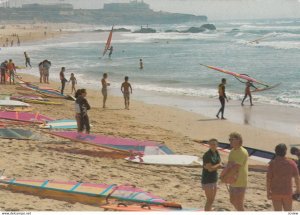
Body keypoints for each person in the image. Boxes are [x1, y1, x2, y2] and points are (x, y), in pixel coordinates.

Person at [267, 144, 300, 211]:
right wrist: (298, 190)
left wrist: (268, 192)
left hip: (275, 192)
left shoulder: (272, 164)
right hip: (287, 192)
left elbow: (268, 179)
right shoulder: (291, 163)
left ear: (276, 152)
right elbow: (297, 178)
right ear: (285, 152)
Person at [227, 132, 248, 211]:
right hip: (233, 180)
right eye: (229, 140)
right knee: (232, 201)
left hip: (240, 181)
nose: (230, 141)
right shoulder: (232, 151)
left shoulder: (242, 151)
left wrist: (225, 177)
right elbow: (229, 165)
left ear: (238, 140)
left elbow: (236, 167)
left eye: (232, 139)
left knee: (239, 203)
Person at [201, 139, 222, 211]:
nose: (213, 146)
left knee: (212, 200)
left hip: (214, 178)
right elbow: (210, 169)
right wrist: (218, 166)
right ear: (209, 145)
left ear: (217, 145)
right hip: (207, 179)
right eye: (211, 144)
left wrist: (216, 166)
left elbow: (218, 164)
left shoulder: (216, 152)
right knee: (209, 200)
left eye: (214, 144)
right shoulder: (207, 155)